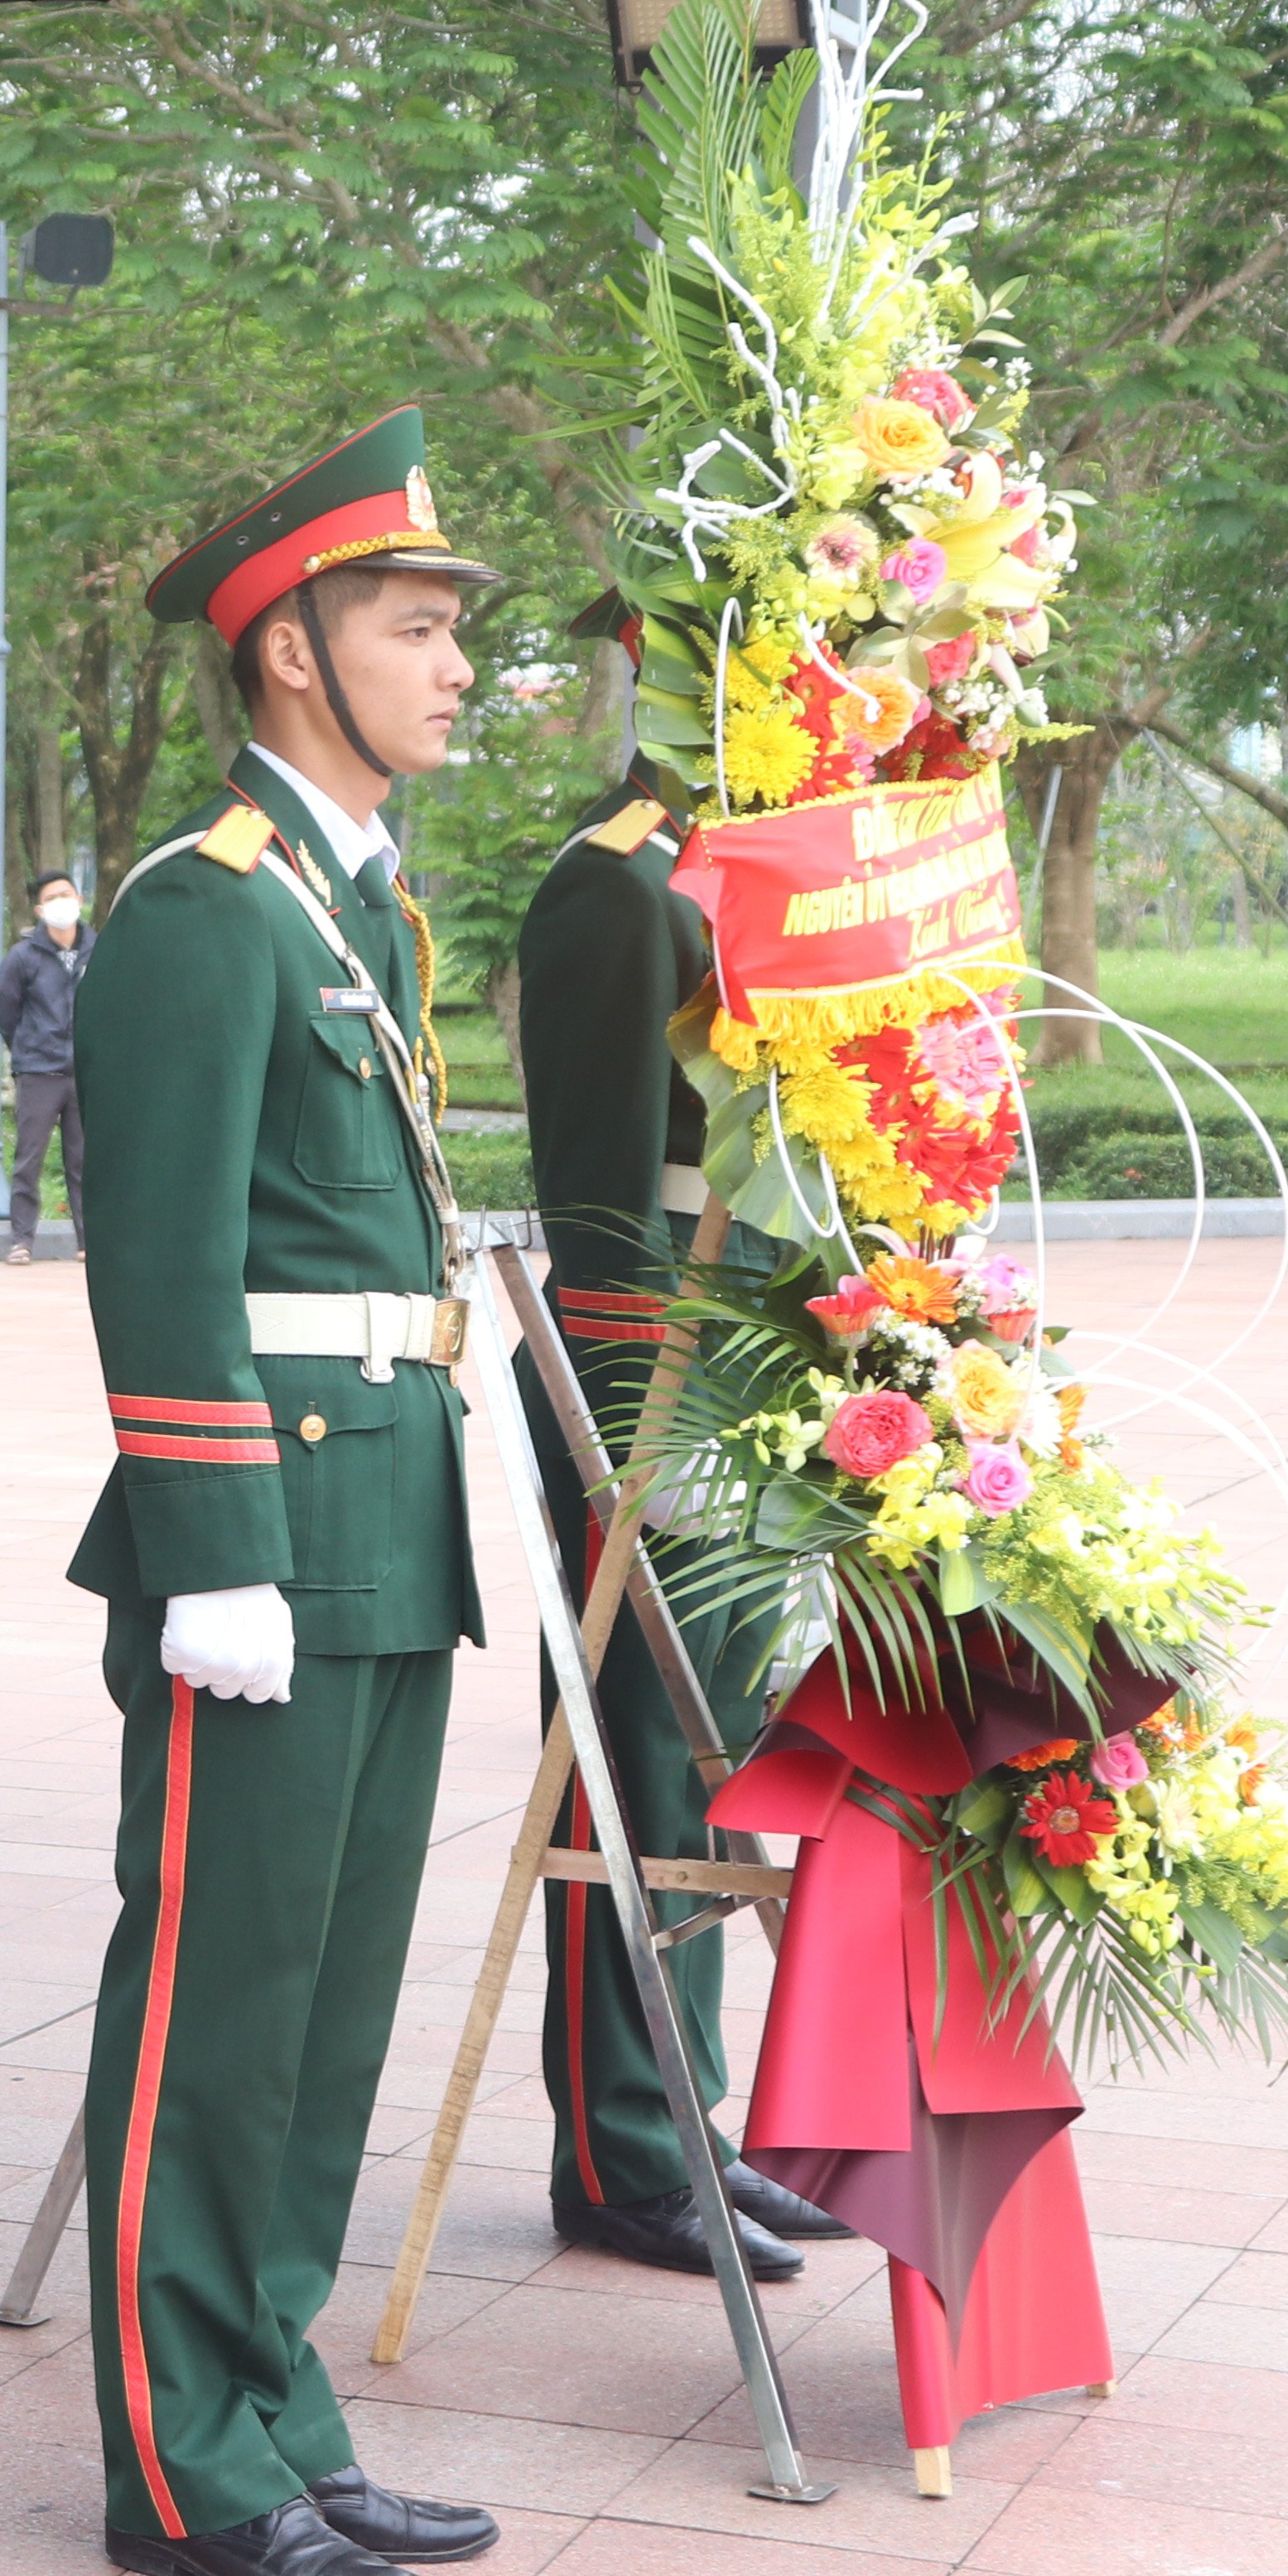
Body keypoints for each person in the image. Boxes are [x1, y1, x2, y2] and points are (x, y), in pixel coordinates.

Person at [67, 404, 509, 2576]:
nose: (456, 666)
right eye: (414, 628)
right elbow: (155, 1249)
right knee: (212, 2000)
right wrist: (211, 1539)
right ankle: (179, 2459)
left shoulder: (364, 909)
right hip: (268, 1535)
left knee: (326, 2007)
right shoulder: (202, 911)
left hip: (388, 1520)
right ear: (289, 656)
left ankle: (276, 2399)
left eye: (452, 630)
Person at [519, 597, 843, 2289]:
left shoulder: (767, 868)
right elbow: (595, 1195)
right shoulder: (618, 884)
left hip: (745, 1360)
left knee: (717, 1757)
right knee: (634, 1751)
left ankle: (688, 2111)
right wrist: (640, 1397)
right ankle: (620, 2143)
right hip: (645, 1373)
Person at [0, 868, 90, 1264]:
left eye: (66, 895)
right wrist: (26, 1049)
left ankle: (87, 1242)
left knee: (84, 1161)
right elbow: (4, 1008)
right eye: (51, 899)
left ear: (80, 900)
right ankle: (21, 1240)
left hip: (84, 1073)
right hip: (38, 1072)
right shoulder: (23, 956)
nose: (60, 904)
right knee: (29, 1158)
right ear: (39, 909)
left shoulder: (97, 949)